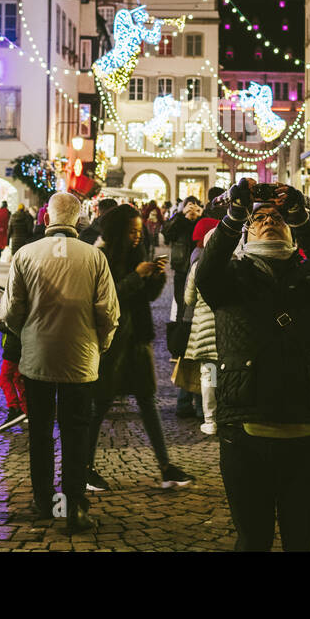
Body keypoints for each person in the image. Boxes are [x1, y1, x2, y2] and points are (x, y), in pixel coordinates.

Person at [196, 180, 310, 551]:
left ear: (292, 232)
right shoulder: (230, 280)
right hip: (245, 431)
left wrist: (302, 219)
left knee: (302, 540)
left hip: (307, 428)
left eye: (278, 217)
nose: (269, 221)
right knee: (253, 540)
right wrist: (233, 216)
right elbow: (207, 270)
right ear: (246, 232)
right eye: (260, 217)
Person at [1, 193, 120, 532]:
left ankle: (43, 501)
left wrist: (27, 333)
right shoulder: (94, 257)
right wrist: (100, 344)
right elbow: (108, 312)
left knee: (40, 431)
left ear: (46, 218)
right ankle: (74, 507)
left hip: (37, 356)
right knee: (76, 431)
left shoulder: (26, 254)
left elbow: (11, 311)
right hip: (81, 357)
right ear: (78, 220)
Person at [85, 204, 194, 492]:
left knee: (147, 401)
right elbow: (108, 298)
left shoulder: (135, 253)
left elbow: (146, 297)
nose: (137, 236)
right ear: (120, 231)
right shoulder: (101, 256)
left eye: (139, 231)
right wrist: (136, 275)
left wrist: (155, 277)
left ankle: (166, 467)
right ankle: (84, 468)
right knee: (100, 405)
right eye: (132, 231)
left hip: (137, 339)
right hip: (111, 342)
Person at [164, 197, 203, 419]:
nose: (193, 211)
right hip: (182, 274)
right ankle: (192, 400)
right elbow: (166, 233)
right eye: (190, 207)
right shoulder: (178, 223)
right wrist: (180, 215)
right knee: (184, 320)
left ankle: (190, 399)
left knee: (191, 332)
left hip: (194, 273)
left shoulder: (204, 226)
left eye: (196, 207)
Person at [182, 217, 221, 435]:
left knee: (209, 375)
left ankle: (210, 419)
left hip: (205, 329)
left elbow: (189, 299)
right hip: (227, 330)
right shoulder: (235, 262)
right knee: (228, 374)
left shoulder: (198, 266)